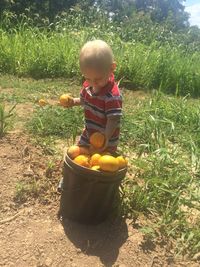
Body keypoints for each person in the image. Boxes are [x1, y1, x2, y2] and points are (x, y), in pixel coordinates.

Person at [67, 39, 122, 152]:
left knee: (102, 164)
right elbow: (83, 100)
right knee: (80, 156)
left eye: (98, 79)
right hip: (88, 135)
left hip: (105, 140)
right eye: (88, 78)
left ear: (111, 68)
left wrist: (105, 137)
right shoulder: (88, 86)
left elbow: (113, 120)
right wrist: (73, 101)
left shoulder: (112, 96)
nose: (93, 83)